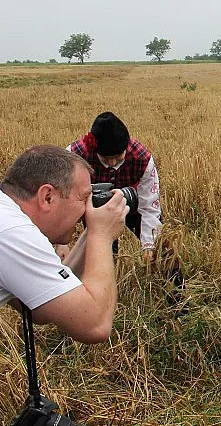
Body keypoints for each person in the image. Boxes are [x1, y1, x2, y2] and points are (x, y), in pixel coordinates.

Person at [0, 145, 127, 343]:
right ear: (47, 197)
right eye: (84, 197)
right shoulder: (14, 233)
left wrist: (92, 232)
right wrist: (101, 235)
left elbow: (39, 308)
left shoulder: (7, 219)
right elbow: (95, 324)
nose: (87, 208)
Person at [67, 112, 162, 258]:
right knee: (102, 254)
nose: (112, 163)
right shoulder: (75, 156)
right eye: (105, 158)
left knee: (162, 246)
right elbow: (65, 200)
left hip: (132, 204)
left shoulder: (142, 158)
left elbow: (149, 205)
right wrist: (62, 244)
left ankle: (177, 279)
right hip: (96, 210)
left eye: (118, 157)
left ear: (126, 147)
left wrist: (149, 244)